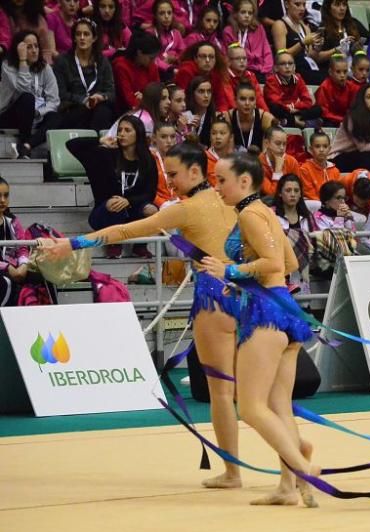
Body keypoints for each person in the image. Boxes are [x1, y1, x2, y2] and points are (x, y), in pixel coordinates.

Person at [37, 142, 249, 489]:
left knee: (223, 392)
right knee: (254, 394)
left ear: (196, 172)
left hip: (215, 299)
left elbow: (125, 231)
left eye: (175, 174)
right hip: (248, 292)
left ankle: (232, 473)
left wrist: (72, 244)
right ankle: (290, 462)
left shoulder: (186, 209)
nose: (171, 180)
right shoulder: (233, 203)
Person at [202, 151, 320, 506]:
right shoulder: (265, 213)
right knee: (279, 406)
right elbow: (291, 261)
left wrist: (231, 272)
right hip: (283, 308)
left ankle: (302, 467)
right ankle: (288, 487)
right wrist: (242, 279)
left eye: (221, 180)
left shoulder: (251, 214)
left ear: (244, 181)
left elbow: (272, 262)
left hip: (266, 313)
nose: (216, 186)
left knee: (251, 408)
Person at [68, 115, 158, 258]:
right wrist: (100, 140)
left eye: (127, 130)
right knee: (114, 204)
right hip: (104, 212)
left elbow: (150, 193)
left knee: (152, 209)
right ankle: (114, 243)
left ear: (138, 134)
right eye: (120, 130)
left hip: (131, 209)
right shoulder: (104, 155)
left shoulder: (147, 160)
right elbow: (72, 144)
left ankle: (140, 246)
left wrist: (129, 201)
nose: (122, 133)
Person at [0, 30, 60, 158]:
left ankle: (26, 146)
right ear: (19, 49)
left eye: (36, 46)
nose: (34, 50)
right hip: (10, 115)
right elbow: (24, 88)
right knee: (27, 98)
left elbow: (54, 101)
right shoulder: (8, 66)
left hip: (36, 115)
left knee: (55, 117)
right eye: (29, 47)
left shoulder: (45, 68)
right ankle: (24, 141)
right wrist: (22, 61)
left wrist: (40, 112)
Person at [53, 18, 115, 132]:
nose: (82, 38)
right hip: (72, 108)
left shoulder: (102, 61)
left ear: (94, 38)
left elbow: (111, 92)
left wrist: (101, 97)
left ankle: (97, 146)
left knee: (103, 111)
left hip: (97, 108)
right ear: (74, 38)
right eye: (78, 34)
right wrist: (84, 100)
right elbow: (61, 94)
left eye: (86, 34)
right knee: (85, 112)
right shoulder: (63, 61)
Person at [271, 0, 324, 85]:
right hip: (293, 68)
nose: (302, 8)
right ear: (287, 4)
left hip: (309, 67)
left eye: (304, 5)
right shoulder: (280, 25)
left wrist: (317, 47)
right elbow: (281, 55)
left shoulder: (305, 27)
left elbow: (310, 55)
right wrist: (302, 43)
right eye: (297, 4)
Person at [264, 51, 321, 128]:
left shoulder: (298, 78)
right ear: (276, 68)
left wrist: (294, 107)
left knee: (318, 109)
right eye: (283, 64)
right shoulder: (271, 81)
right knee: (275, 108)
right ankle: (300, 123)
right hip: (281, 112)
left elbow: (307, 101)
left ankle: (295, 121)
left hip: (295, 111)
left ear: (294, 67)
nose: (287, 66)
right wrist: (291, 108)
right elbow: (276, 103)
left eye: (290, 63)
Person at [173, 41, 235, 113]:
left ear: (215, 60)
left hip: (206, 113)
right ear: (195, 59)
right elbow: (180, 100)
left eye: (211, 57)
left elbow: (221, 101)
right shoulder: (185, 72)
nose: (207, 60)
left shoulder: (216, 75)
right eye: (203, 56)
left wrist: (222, 114)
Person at [0, 177, 31, 306]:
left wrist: (23, 265)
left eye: (6, 196)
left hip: (15, 269)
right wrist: (7, 267)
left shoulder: (13, 221)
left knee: (42, 279)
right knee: (6, 283)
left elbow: (22, 248)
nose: (2, 200)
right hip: (5, 270)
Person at [111, 29, 160, 112]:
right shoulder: (121, 67)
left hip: (150, 108)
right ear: (139, 53)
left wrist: (144, 98)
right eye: (151, 58)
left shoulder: (152, 66)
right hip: (126, 111)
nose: (153, 61)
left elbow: (158, 92)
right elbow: (129, 100)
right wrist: (146, 99)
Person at [223, 0, 272, 81]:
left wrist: (266, 70)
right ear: (235, 14)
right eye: (243, 12)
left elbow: (267, 51)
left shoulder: (259, 28)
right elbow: (229, 55)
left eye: (250, 13)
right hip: (238, 70)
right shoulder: (228, 31)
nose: (247, 16)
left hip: (259, 71)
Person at [227, 81, 276, 152]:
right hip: (234, 160)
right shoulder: (228, 117)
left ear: (256, 101)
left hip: (259, 161)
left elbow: (270, 149)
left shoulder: (265, 118)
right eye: (243, 99)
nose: (247, 103)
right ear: (235, 101)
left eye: (251, 99)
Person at [258, 125, 301, 198]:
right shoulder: (258, 163)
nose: (282, 148)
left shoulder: (292, 161)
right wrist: (278, 170)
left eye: (284, 144)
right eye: (278, 143)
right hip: (266, 203)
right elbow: (272, 194)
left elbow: (298, 189)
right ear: (266, 143)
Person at [298, 129, 340, 203]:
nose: (321, 150)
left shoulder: (335, 171)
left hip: (331, 205)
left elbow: (338, 194)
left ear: (329, 149)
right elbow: (310, 194)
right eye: (317, 146)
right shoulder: (304, 169)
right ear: (310, 149)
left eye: (325, 146)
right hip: (313, 204)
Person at [315, 53, 353, 127]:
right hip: (329, 122)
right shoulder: (324, 87)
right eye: (338, 72)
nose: (342, 75)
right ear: (330, 72)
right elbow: (324, 112)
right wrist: (342, 120)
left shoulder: (351, 86)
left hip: (346, 121)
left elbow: (354, 109)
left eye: (345, 72)